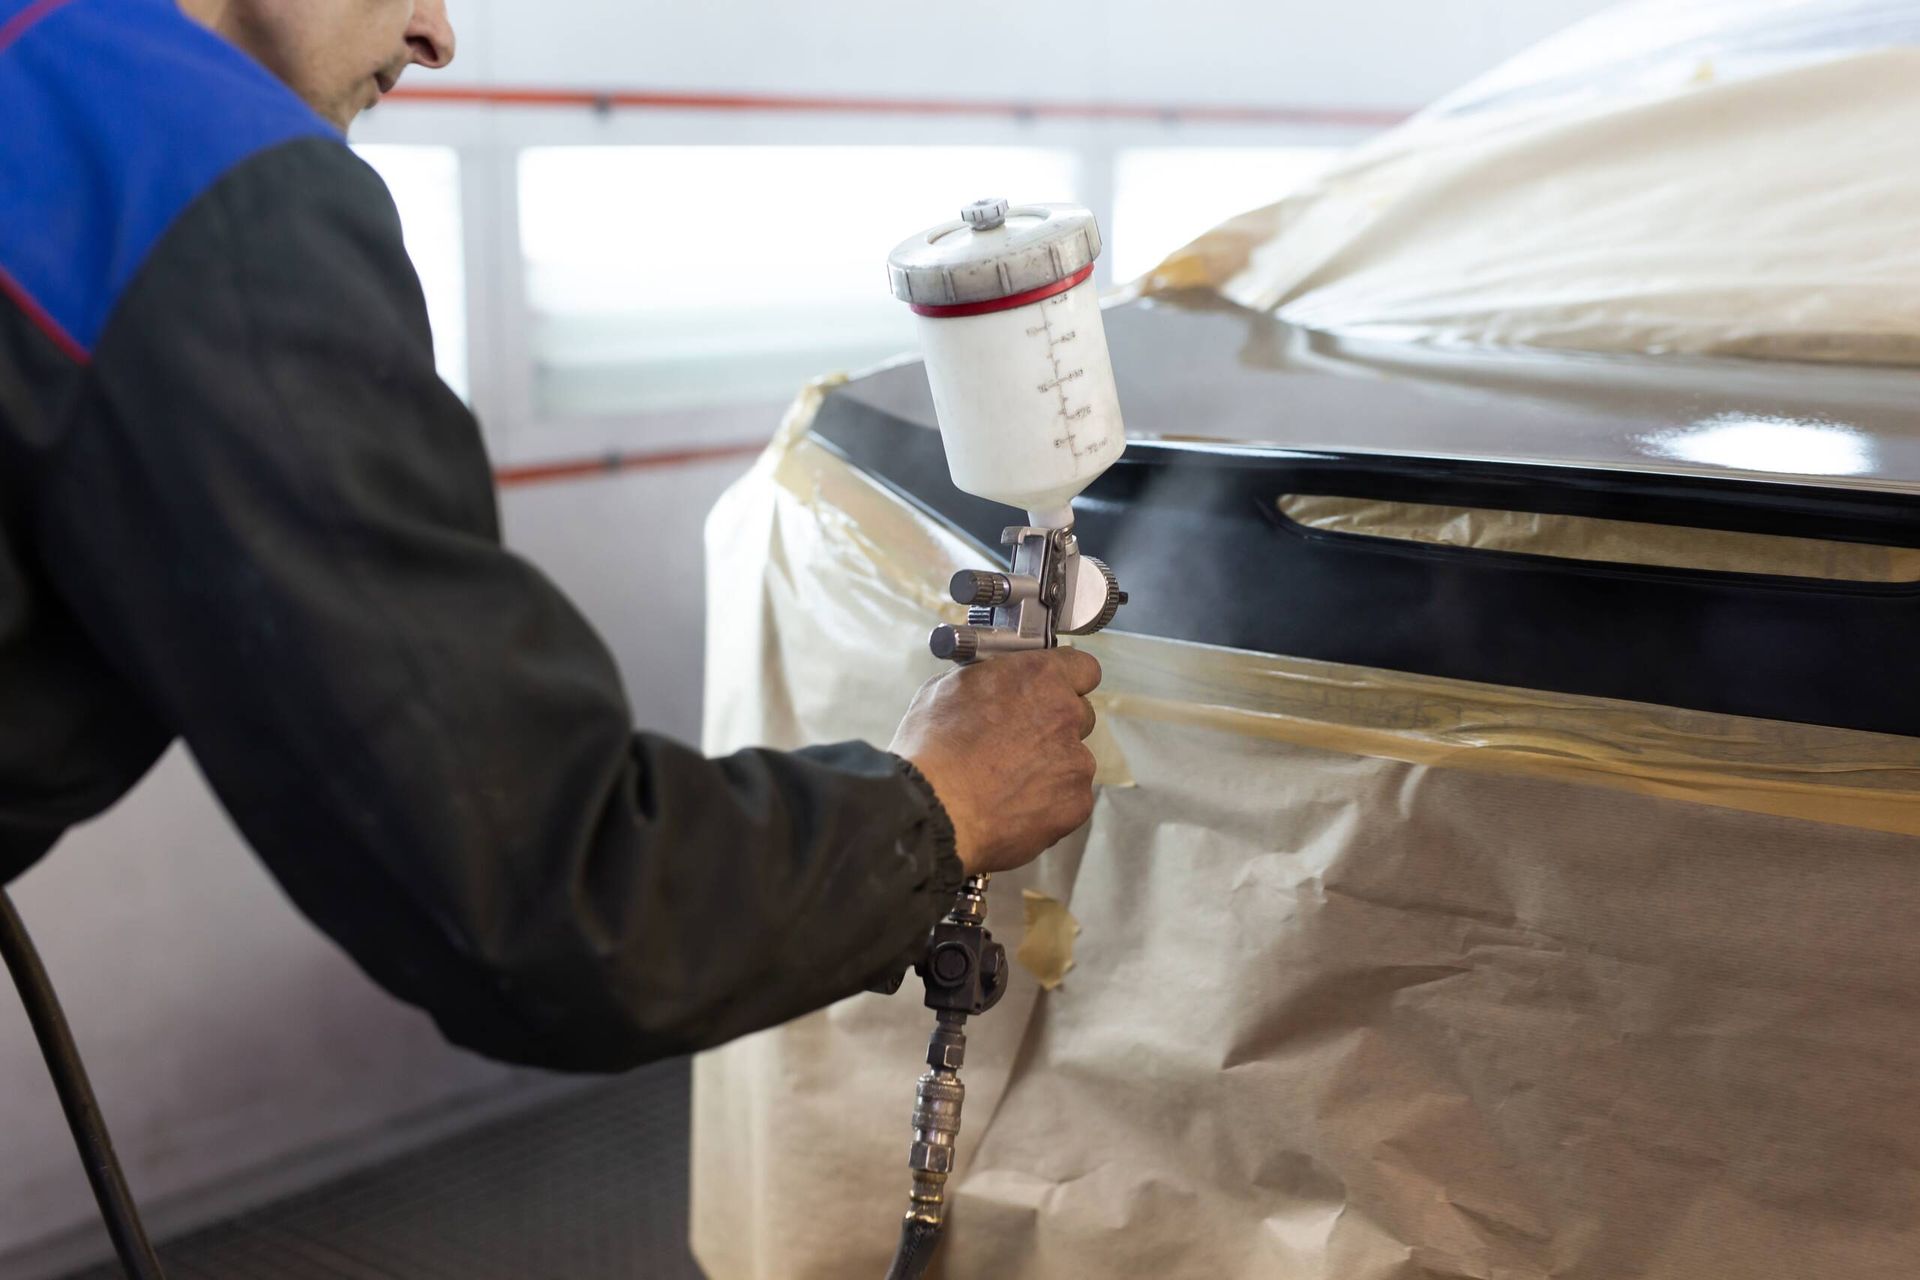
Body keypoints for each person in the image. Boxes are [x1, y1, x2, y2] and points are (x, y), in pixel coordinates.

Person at [0, 0, 1102, 1070]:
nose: (436, 34)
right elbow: (554, 896)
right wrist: (941, 800)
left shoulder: (43, 83)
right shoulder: (200, 187)